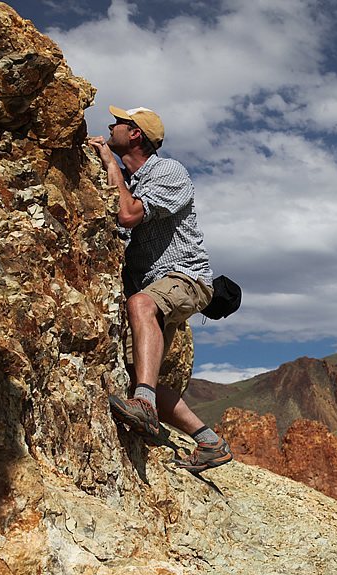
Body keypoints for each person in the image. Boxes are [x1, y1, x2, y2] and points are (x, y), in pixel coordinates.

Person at [88, 105, 232, 474]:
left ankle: (145, 407)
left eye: (119, 123)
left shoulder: (169, 172)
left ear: (136, 134)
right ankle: (209, 442)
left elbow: (128, 215)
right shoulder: (131, 179)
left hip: (186, 277)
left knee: (141, 304)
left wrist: (108, 167)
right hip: (158, 285)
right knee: (141, 375)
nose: (111, 126)